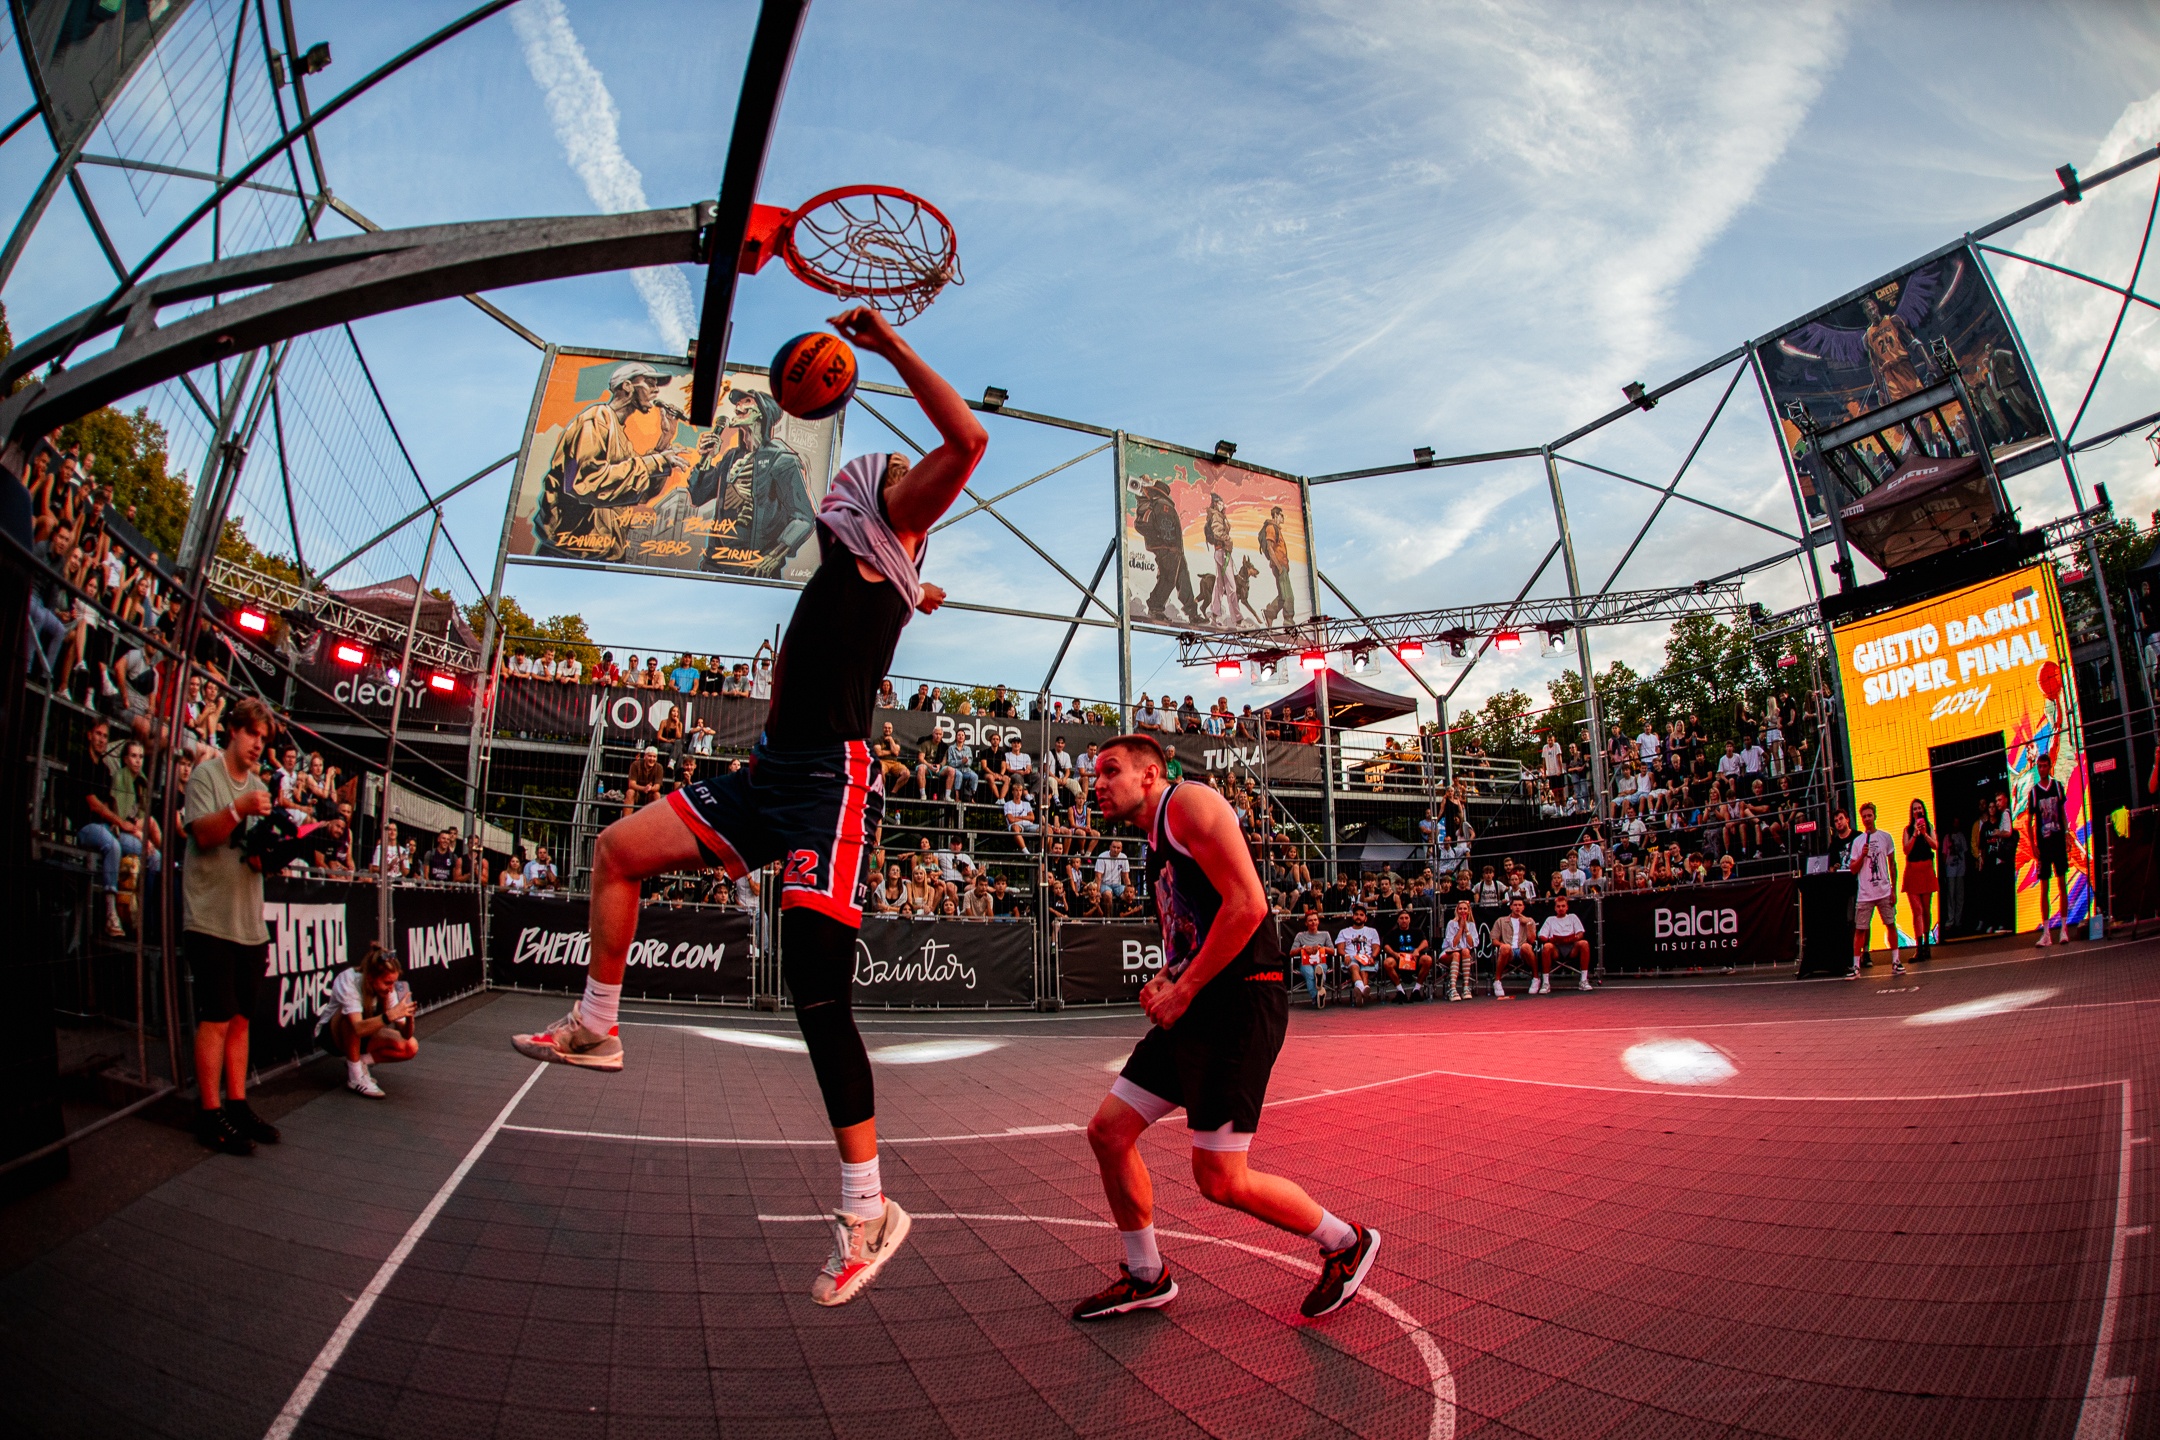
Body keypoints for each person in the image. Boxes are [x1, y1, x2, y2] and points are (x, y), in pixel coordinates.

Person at [511, 306, 985, 1309]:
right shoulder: (869, 560)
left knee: (816, 991)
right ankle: (597, 1023)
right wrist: (923, 591)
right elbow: (896, 581)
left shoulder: (893, 528)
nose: (897, 472)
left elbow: (969, 441)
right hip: (769, 774)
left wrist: (888, 347)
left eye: (905, 475)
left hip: (827, 788)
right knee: (617, 849)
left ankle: (868, 1209)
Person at [1073, 734, 1378, 1323]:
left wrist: (1184, 987)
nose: (1098, 784)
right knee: (1109, 1133)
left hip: (1238, 1003)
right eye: (1095, 774)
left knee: (1220, 1179)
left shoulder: (1188, 803)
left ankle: (1346, 1242)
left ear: (1150, 774)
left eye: (1110, 770)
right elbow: (1199, 929)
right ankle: (1146, 1276)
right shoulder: (1155, 845)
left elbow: (1248, 906)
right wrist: (1169, 976)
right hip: (1200, 1002)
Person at [180, 696, 283, 1155]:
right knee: (216, 1017)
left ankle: (237, 1104)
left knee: (241, 1019)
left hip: (248, 921)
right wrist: (239, 809)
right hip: (210, 918)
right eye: (252, 734)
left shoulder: (259, 786)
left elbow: (254, 857)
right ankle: (208, 1111)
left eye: (264, 738)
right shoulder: (207, 775)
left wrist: (276, 851)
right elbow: (203, 834)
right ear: (233, 731)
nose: (258, 744)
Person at [323, 942, 419, 1097]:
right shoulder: (349, 980)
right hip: (332, 1037)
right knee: (350, 1017)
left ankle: (359, 1062)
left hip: (364, 1035)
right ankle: (355, 1078)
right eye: (387, 983)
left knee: (410, 1046)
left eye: (394, 982)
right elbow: (357, 1028)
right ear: (370, 978)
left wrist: (409, 1017)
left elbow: (406, 1035)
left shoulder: (389, 990)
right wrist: (390, 1015)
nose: (391, 988)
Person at [1847, 801, 1900, 978]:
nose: (1867, 819)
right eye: (1864, 816)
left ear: (1874, 816)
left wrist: (1893, 889)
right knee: (1860, 929)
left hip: (1883, 891)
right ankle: (1856, 966)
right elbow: (1853, 869)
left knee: (1890, 924)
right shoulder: (1857, 842)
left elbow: (1892, 864)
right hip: (1865, 894)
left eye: (1869, 815)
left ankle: (1896, 961)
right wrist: (1862, 855)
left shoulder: (1886, 837)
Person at [2028, 752, 2073, 946]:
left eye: (2045, 766)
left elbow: (2062, 812)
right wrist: (2033, 845)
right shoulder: (2034, 792)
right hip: (2043, 845)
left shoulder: (2057, 787)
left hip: (2058, 842)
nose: (2042, 769)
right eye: (2039, 766)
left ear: (2050, 766)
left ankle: (2063, 929)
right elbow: (2029, 821)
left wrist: (2067, 833)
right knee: (2044, 887)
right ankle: (2046, 932)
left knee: (2062, 884)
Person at [1901, 798, 1937, 962]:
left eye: (1919, 808)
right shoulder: (1908, 830)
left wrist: (1924, 834)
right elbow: (1906, 850)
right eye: (1914, 809)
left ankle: (1927, 945)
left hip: (1926, 869)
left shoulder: (1929, 826)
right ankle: (1919, 947)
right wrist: (1915, 834)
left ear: (1923, 810)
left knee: (1926, 909)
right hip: (1913, 871)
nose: (1917, 811)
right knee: (1917, 911)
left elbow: (1935, 845)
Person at [1537, 895, 1589, 994]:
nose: (1561, 908)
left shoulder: (1572, 917)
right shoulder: (1550, 919)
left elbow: (1580, 933)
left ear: (1567, 907)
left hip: (1571, 948)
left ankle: (1583, 980)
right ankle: (1546, 983)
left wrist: (1575, 938)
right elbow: (1542, 936)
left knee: (1584, 943)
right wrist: (1549, 939)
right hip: (1556, 949)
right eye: (1558, 906)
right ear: (1555, 908)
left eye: (1563, 906)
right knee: (1547, 946)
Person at [1333, 904, 1381, 1006]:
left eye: (1361, 915)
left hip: (1367, 958)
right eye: (1356, 914)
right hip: (1351, 958)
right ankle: (1363, 989)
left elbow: (1376, 947)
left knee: (1364, 971)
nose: (1358, 917)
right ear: (1352, 916)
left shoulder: (1372, 931)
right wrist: (1345, 955)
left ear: (1365, 918)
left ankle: (1360, 991)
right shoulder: (1344, 932)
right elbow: (1340, 948)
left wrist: (1373, 957)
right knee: (1354, 967)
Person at [1491, 896, 1536, 999]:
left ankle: (1536, 978)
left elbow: (1532, 940)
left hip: (1522, 951)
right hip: (1508, 951)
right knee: (1506, 947)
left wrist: (1528, 924)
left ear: (1523, 907)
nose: (1517, 907)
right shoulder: (1501, 920)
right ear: (1510, 906)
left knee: (1526, 946)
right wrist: (1502, 945)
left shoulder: (1530, 920)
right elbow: (1494, 940)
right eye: (1515, 905)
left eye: (1520, 905)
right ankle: (1497, 981)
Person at [1289, 907, 1334, 1008]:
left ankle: (1317, 993)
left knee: (1319, 968)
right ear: (1306, 923)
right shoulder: (1300, 935)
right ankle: (1317, 996)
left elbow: (1332, 951)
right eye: (1310, 920)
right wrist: (1303, 948)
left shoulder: (1325, 934)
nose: (1313, 922)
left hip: (1320, 961)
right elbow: (1291, 953)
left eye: (1315, 920)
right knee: (1310, 973)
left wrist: (1321, 947)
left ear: (1318, 921)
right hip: (1306, 963)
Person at [1381, 910, 1429, 1001]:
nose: (1404, 920)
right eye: (1401, 918)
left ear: (1409, 920)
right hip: (1398, 960)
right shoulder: (1392, 933)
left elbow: (1425, 942)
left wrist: (1417, 950)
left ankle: (1416, 990)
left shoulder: (1417, 931)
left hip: (1414, 959)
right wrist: (1394, 954)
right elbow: (1386, 946)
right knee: (1388, 962)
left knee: (1427, 959)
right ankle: (1400, 991)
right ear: (1398, 920)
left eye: (1406, 918)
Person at [1439, 899, 1478, 1003]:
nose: (1462, 911)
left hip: (1464, 955)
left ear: (1468, 911)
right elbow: (1453, 945)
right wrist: (1460, 929)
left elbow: (1472, 945)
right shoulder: (1451, 923)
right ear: (1457, 910)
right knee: (1456, 953)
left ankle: (1466, 987)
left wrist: (1466, 929)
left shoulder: (1471, 925)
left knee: (1465, 951)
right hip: (1448, 953)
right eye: (1460, 909)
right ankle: (1452, 989)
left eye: (1465, 909)